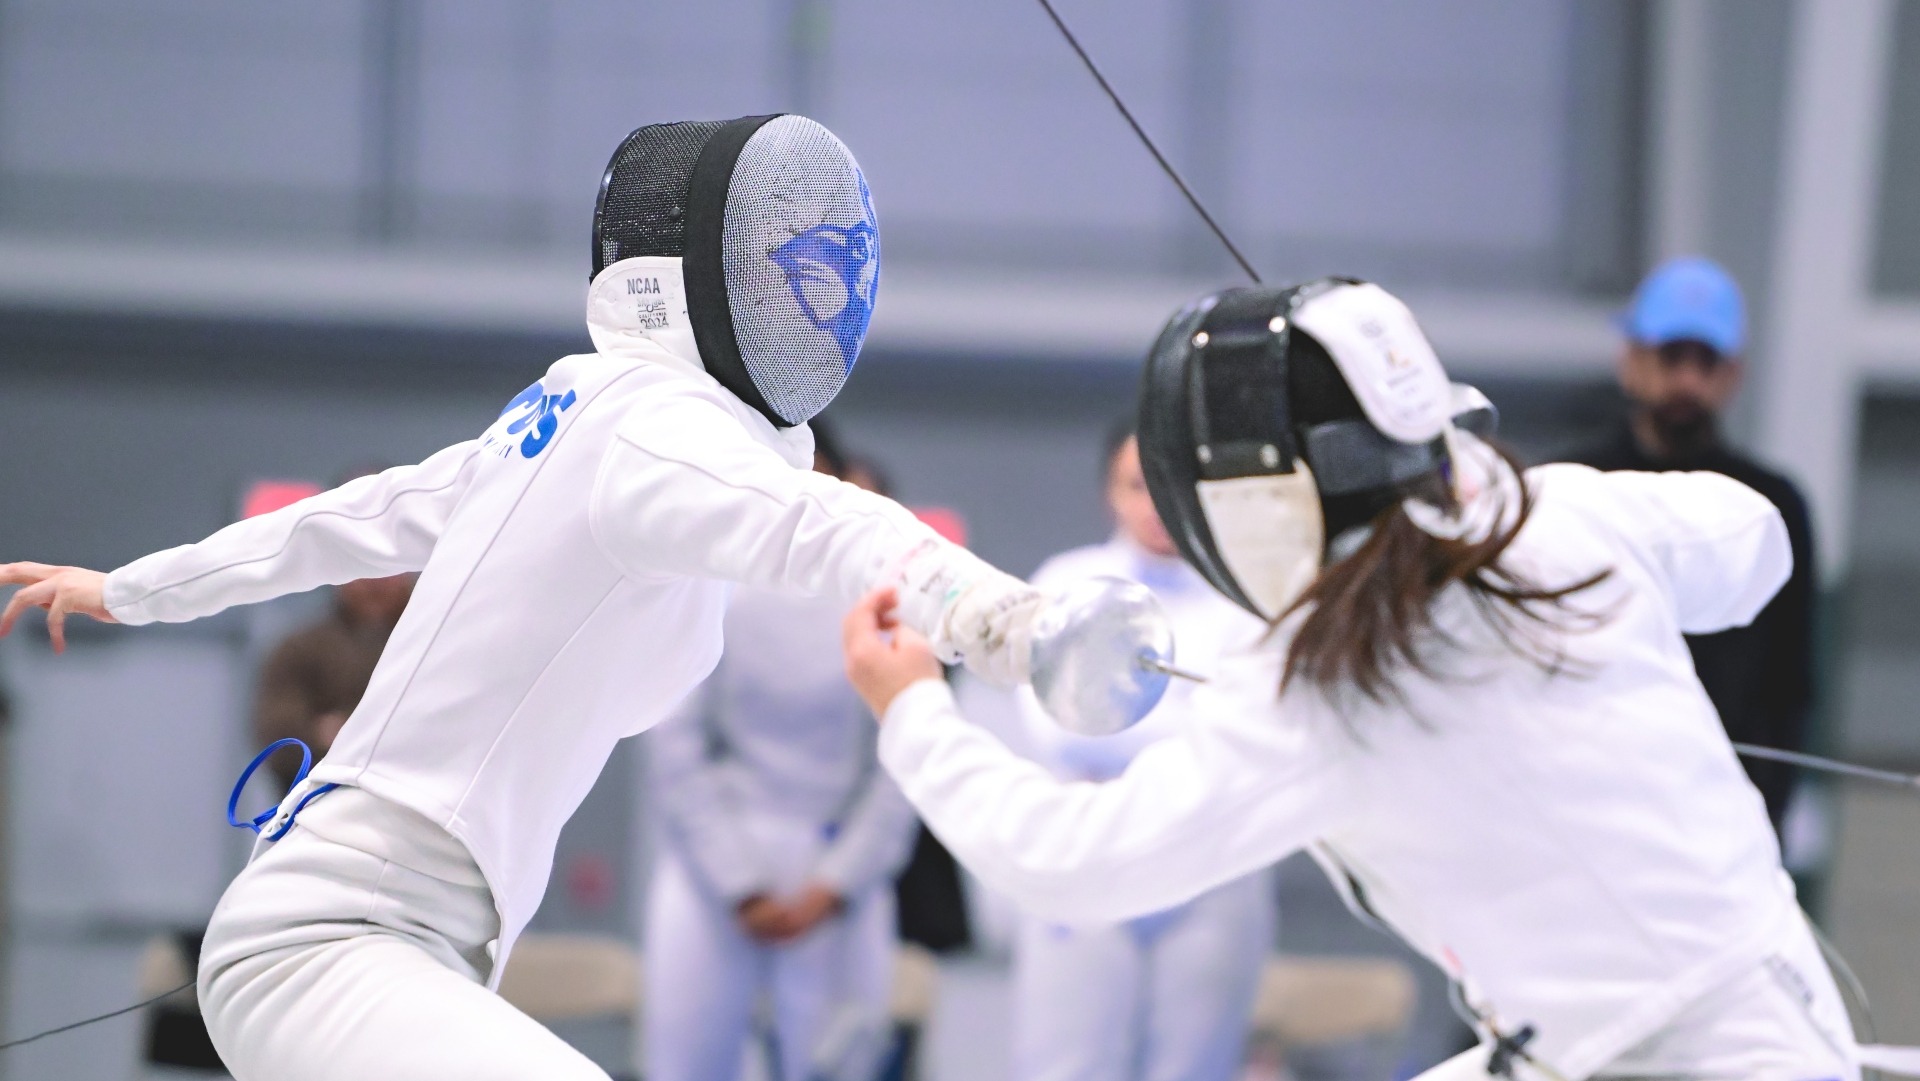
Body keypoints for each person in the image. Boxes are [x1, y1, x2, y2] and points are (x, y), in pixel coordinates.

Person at [0, 114, 1048, 1081]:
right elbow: (831, 525)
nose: (816, 300)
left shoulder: (588, 414)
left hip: (403, 941)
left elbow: (361, 512)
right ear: (701, 280)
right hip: (331, 935)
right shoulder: (647, 424)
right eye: (789, 271)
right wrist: (1019, 625)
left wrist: (132, 588)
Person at [841, 279, 1862, 1080]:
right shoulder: (1556, 514)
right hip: (1709, 1018)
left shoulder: (1312, 689)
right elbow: (1757, 540)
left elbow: (1066, 856)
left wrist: (911, 708)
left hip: (1700, 1052)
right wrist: (1503, 495)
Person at [640, 423, 919, 1081]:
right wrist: (740, 883)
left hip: (837, 875)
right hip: (714, 871)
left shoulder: (881, 607)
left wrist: (834, 883)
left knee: (838, 1061)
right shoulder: (704, 589)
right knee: (687, 1060)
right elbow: (675, 744)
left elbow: (905, 754)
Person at [996, 424, 1272, 1081]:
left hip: (1211, 867)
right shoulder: (1064, 585)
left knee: (1196, 1065)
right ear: (1109, 493)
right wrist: (1193, 728)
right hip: (1090, 852)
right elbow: (1058, 729)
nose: (1155, 506)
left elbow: (1254, 745)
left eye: (1172, 487)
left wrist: (1120, 722)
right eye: (1136, 486)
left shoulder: (1252, 603)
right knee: (1063, 1062)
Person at [1560, 257, 1817, 830]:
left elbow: (1790, 678)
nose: (1687, 382)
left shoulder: (1773, 505)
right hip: (1592, 799)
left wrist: (1765, 813)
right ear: (1631, 360)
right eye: (1671, 357)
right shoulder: (1570, 489)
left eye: (1707, 362)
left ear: (1734, 374)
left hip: (1721, 803)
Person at [253, 571, 415, 789]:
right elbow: (277, 733)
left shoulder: (434, 648)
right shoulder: (300, 649)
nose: (376, 581)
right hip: (317, 802)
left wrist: (345, 731)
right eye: (365, 569)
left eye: (390, 570)